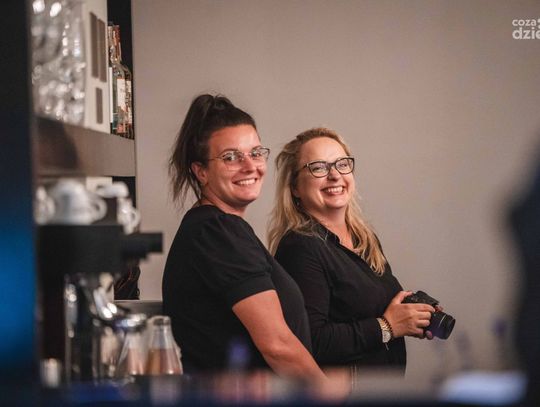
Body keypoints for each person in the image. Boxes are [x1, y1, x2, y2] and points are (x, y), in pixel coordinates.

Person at [162, 94, 326, 381]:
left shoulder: (218, 228)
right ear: (201, 171)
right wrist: (327, 394)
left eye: (256, 153)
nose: (250, 166)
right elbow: (277, 346)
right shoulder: (216, 233)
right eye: (231, 157)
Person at [268, 127, 435, 372]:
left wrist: (411, 316)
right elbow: (311, 342)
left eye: (342, 164)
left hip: (381, 388)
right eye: (318, 167)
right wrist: (387, 327)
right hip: (342, 391)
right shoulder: (300, 247)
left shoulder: (364, 238)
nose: (335, 175)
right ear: (295, 186)